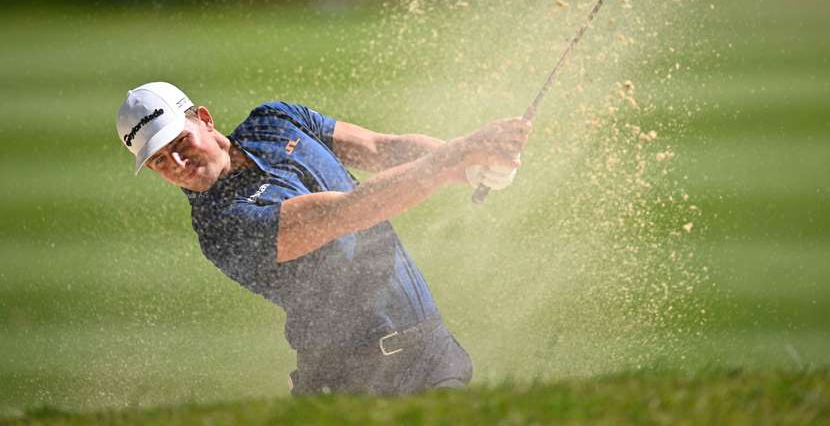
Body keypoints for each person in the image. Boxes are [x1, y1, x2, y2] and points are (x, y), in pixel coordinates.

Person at [116, 82, 530, 395]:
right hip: (349, 382)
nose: (176, 163)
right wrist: (459, 154)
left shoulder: (274, 121)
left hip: (430, 350)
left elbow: (378, 147)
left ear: (204, 119)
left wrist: (471, 167)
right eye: (158, 161)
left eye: (180, 142)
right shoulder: (222, 227)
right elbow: (349, 211)